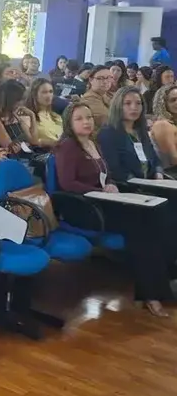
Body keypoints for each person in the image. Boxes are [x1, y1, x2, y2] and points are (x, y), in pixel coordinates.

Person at [55, 102, 177, 317]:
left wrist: (109, 184)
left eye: (89, 117)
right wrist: (97, 189)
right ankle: (151, 294)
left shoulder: (93, 143)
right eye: (80, 118)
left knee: (157, 217)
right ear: (69, 123)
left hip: (103, 200)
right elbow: (67, 184)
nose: (86, 122)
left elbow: (105, 173)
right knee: (139, 226)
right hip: (83, 207)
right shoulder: (68, 146)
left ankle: (159, 283)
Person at [0, 79, 36, 154]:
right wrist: (26, 144)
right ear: (10, 100)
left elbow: (33, 140)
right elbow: (12, 148)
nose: (22, 103)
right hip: (4, 160)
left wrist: (32, 116)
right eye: (19, 100)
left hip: (23, 156)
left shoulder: (15, 114)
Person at [25, 78, 63, 148]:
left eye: (51, 92)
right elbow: (33, 142)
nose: (49, 95)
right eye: (44, 92)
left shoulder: (56, 116)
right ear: (35, 94)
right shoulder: (28, 116)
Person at [151, 84, 177, 171]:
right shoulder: (162, 125)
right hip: (170, 175)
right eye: (173, 100)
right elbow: (173, 159)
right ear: (163, 103)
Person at [81, 65, 113, 131]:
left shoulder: (107, 95)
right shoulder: (89, 98)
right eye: (100, 78)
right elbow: (106, 121)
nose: (105, 81)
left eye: (109, 78)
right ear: (91, 80)